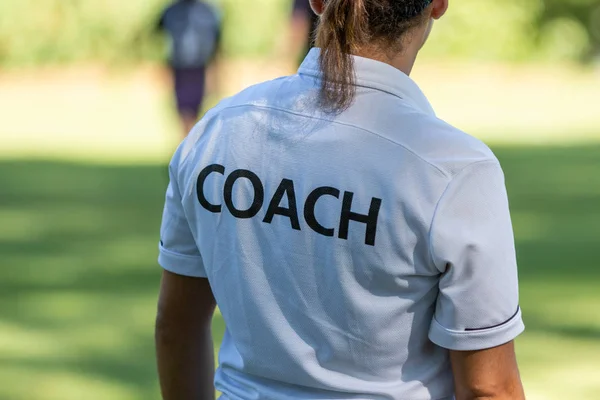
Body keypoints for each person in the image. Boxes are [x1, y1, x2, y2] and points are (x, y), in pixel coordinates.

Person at [155, 1, 527, 399]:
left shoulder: (217, 131)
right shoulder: (454, 168)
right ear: (437, 4)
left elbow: (177, 327)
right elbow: (488, 388)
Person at [157, 0, 222, 137]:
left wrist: (216, 72)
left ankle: (193, 144)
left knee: (197, 108)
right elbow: (157, 34)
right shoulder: (171, 11)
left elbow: (217, 44)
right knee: (183, 109)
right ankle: (186, 145)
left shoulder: (209, 12)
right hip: (179, 67)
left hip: (200, 67)